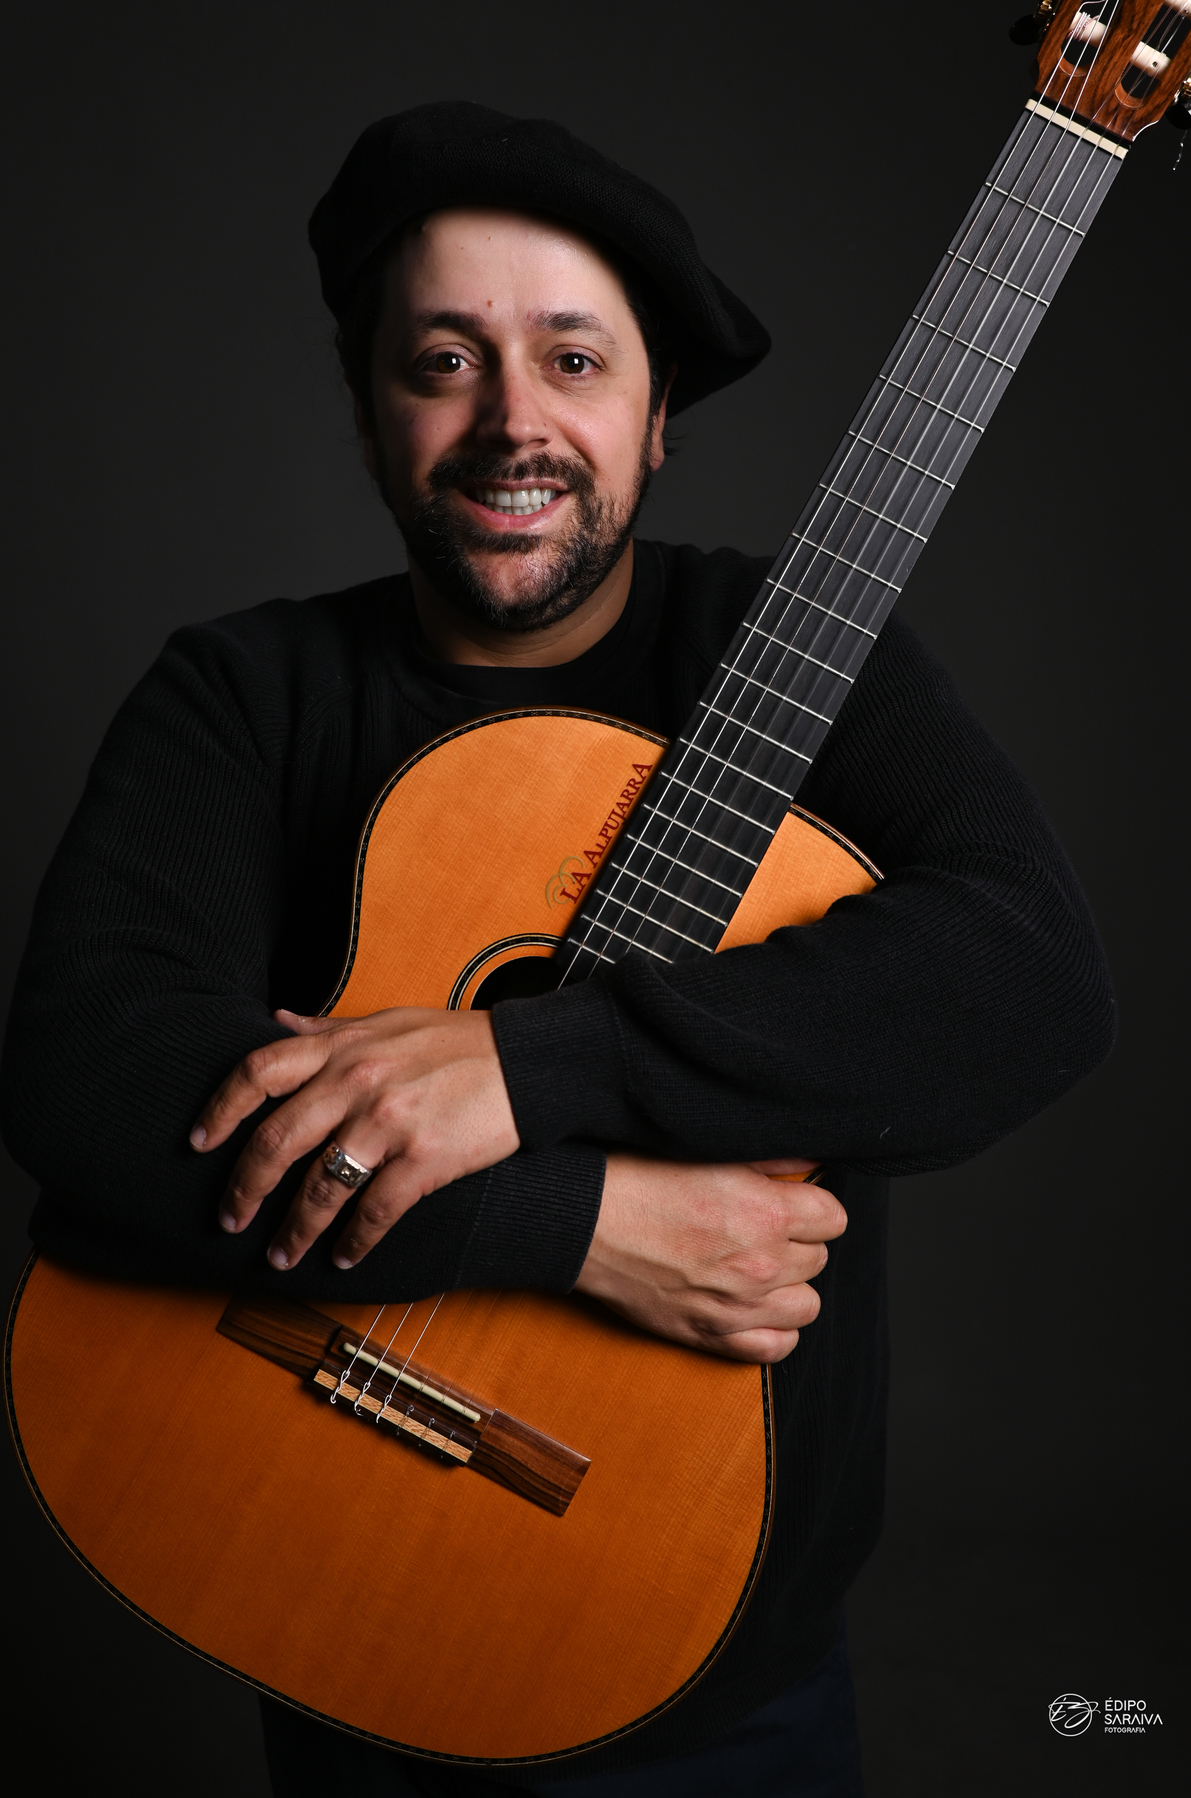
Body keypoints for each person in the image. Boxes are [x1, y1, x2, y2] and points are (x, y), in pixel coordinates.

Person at [0, 103, 1115, 1796]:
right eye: (444, 360)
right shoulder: (243, 696)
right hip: (313, 1567)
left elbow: (1033, 979)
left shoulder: (802, 654)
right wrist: (578, 1222)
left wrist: (520, 1065)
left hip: (716, 1666)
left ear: (658, 419)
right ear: (369, 411)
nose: (512, 421)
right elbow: (88, 1084)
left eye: (575, 360)